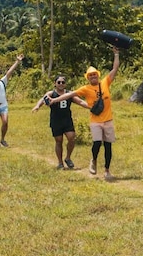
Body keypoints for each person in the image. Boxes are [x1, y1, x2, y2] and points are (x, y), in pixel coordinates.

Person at [51, 47, 120, 181]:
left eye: (94, 74)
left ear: (98, 75)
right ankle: (93, 160)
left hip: (108, 120)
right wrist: (54, 100)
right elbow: (69, 94)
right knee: (96, 143)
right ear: (88, 78)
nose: (93, 77)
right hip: (95, 121)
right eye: (90, 75)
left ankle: (107, 170)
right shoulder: (86, 89)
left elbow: (115, 69)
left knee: (108, 146)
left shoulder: (105, 82)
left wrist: (116, 54)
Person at [33, 75, 88, 169]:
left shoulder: (69, 94)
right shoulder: (51, 93)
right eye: (59, 82)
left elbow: (80, 102)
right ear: (55, 84)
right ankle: (60, 162)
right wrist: (37, 106)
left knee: (71, 138)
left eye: (63, 82)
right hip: (56, 121)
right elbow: (43, 99)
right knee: (59, 141)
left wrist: (92, 106)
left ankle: (68, 158)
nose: (61, 84)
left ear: (65, 84)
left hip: (67, 120)